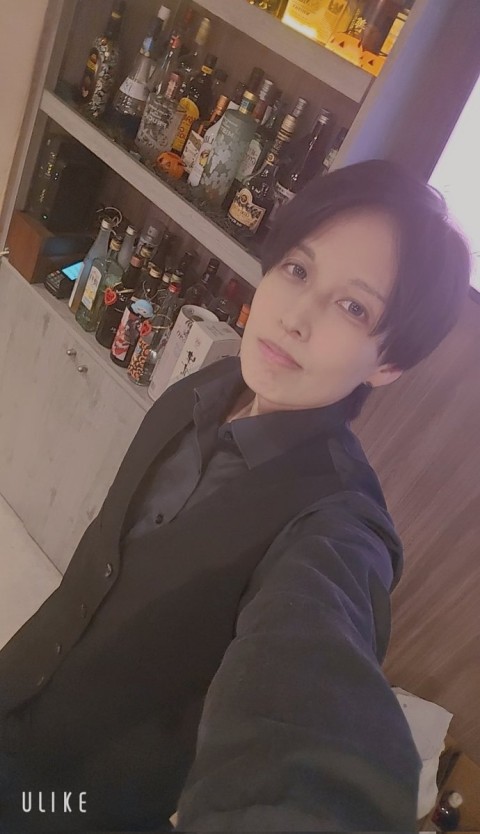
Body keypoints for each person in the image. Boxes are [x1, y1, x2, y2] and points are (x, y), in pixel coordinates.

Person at [0, 160, 471, 833]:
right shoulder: (205, 386)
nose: (295, 317)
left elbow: (313, 680)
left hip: (77, 803)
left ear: (389, 363)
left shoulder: (338, 524)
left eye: (353, 307)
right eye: (298, 269)